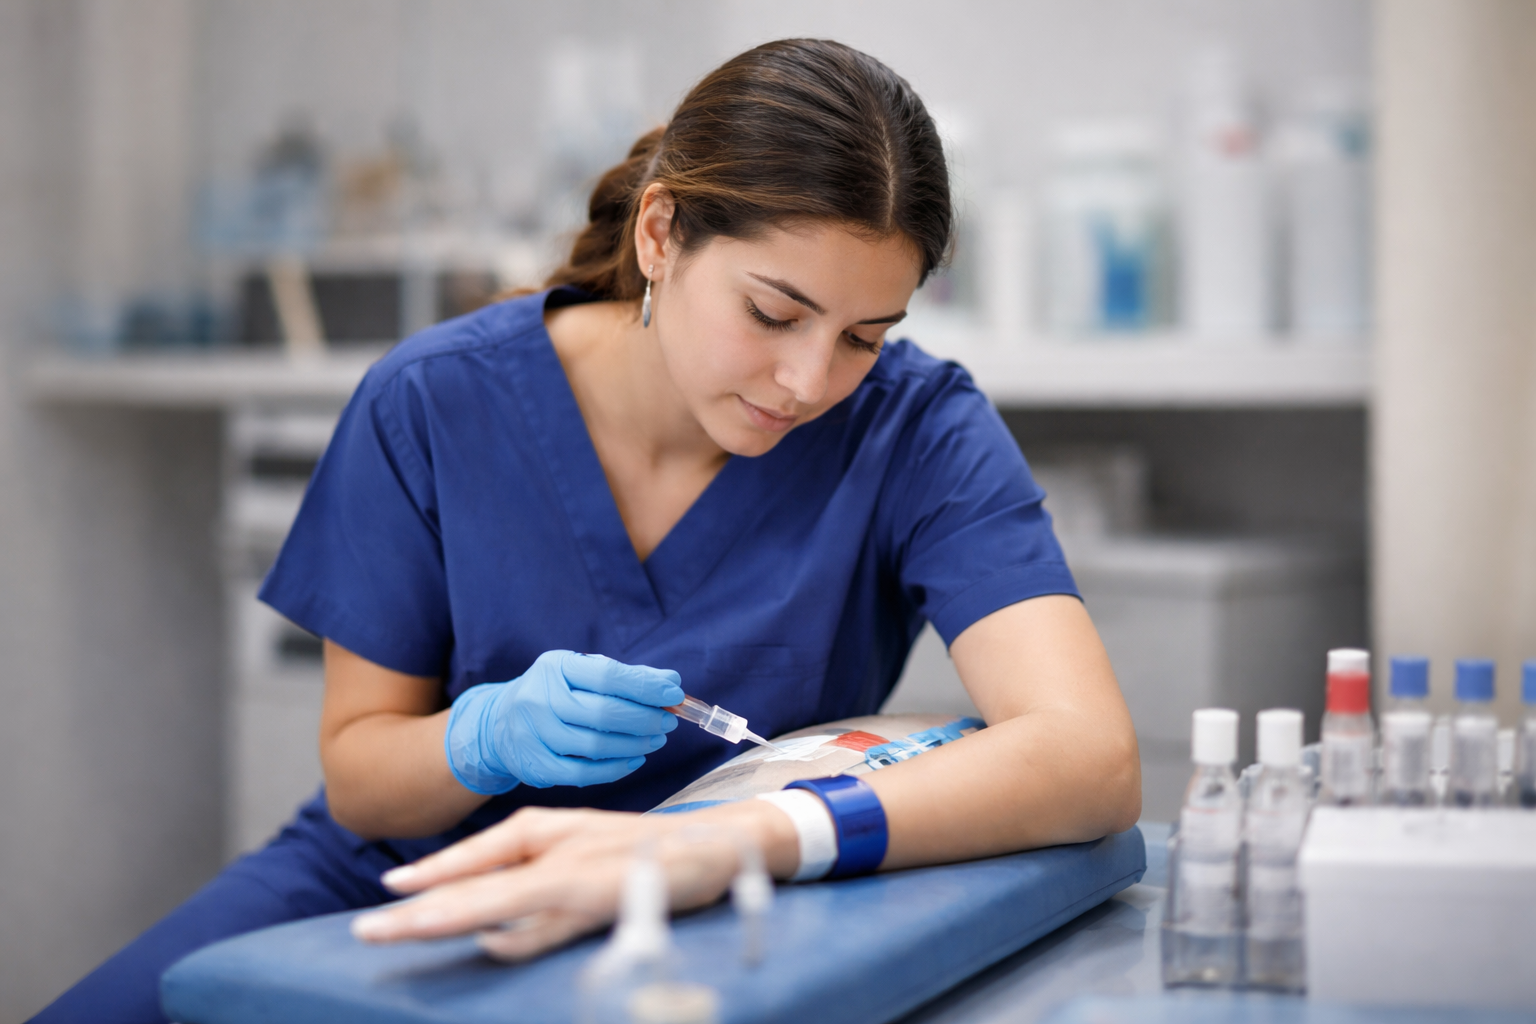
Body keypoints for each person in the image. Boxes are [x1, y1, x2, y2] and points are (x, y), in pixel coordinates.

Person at [32, 38, 1139, 1022]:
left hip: (707, 903)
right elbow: (364, 778)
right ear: (663, 233)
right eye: (773, 311)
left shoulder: (915, 429)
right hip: (406, 876)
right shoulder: (435, 400)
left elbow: (1088, 756)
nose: (810, 381)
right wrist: (486, 736)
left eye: (864, 334)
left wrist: (746, 835)